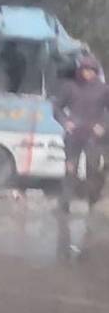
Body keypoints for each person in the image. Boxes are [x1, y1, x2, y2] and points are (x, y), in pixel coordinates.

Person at [52, 55, 109, 213]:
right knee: (70, 169)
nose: (88, 73)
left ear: (96, 72)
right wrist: (65, 122)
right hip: (74, 135)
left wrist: (103, 125)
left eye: (91, 70)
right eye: (85, 69)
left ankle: (93, 204)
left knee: (93, 170)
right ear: (80, 70)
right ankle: (64, 206)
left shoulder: (104, 89)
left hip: (94, 137)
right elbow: (56, 107)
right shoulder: (70, 87)